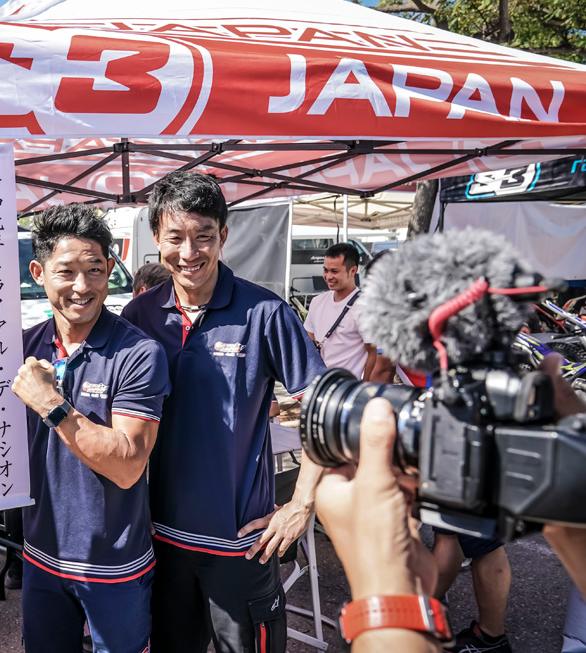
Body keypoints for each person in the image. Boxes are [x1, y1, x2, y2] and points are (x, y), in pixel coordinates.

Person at [121, 171, 326, 653]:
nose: (189, 252)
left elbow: (326, 409)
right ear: (156, 238)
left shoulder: (265, 312)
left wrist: (301, 505)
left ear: (223, 236)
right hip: (160, 539)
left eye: (203, 236)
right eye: (175, 237)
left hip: (241, 543)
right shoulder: (140, 316)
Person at [315, 353, 586, 652]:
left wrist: (382, 584)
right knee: (457, 538)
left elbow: (384, 366)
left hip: (456, 444)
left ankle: (488, 637)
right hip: (453, 442)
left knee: (482, 546)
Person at [11, 204, 170, 652]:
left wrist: (52, 405)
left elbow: (127, 466)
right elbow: (2, 447)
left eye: (95, 270)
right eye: (67, 272)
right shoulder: (23, 347)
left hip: (115, 565)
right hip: (41, 557)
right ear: (39, 272)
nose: (82, 287)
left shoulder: (138, 353)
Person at [304, 242, 376, 380]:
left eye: (335, 271)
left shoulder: (366, 307)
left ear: (353, 271)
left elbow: (374, 354)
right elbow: (309, 343)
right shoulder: (317, 302)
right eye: (325, 270)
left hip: (348, 389)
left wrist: (364, 388)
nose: (328, 276)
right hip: (319, 386)